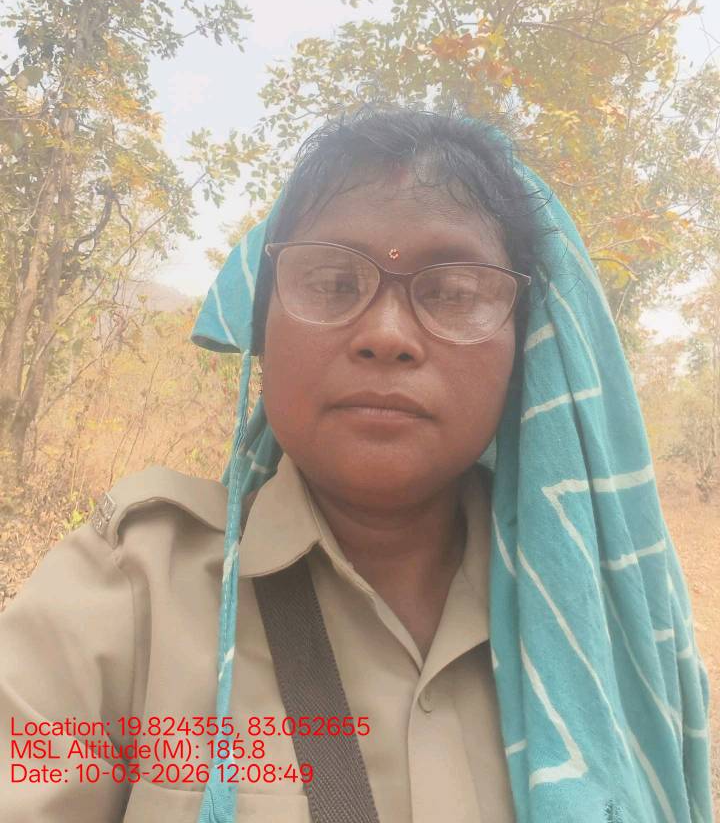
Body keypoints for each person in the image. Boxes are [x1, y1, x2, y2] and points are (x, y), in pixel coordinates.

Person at [0, 107, 711, 823]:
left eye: (454, 291)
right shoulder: (133, 590)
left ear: (522, 347)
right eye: (334, 282)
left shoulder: (604, 627)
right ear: (265, 326)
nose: (386, 334)